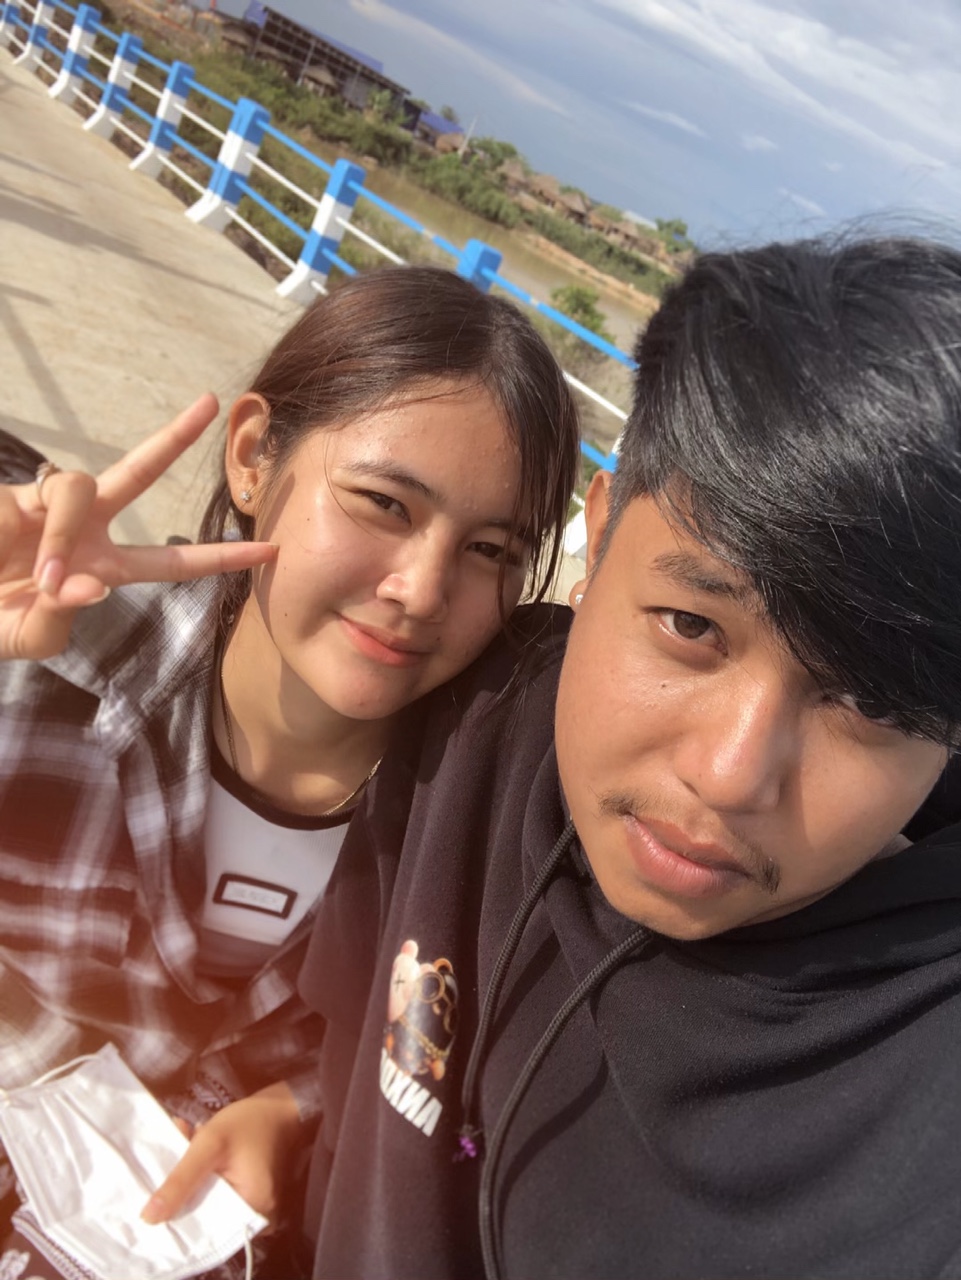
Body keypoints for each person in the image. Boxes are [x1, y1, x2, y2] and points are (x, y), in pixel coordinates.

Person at [294, 234, 961, 1280]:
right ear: (596, 536)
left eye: (870, 701)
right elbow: (345, 1028)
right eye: (691, 627)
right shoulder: (476, 718)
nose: (731, 775)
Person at [0, 265, 579, 1277]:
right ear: (253, 456)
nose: (422, 588)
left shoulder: (474, 830)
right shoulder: (45, 666)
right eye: (383, 503)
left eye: (490, 550)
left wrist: (299, 1106)